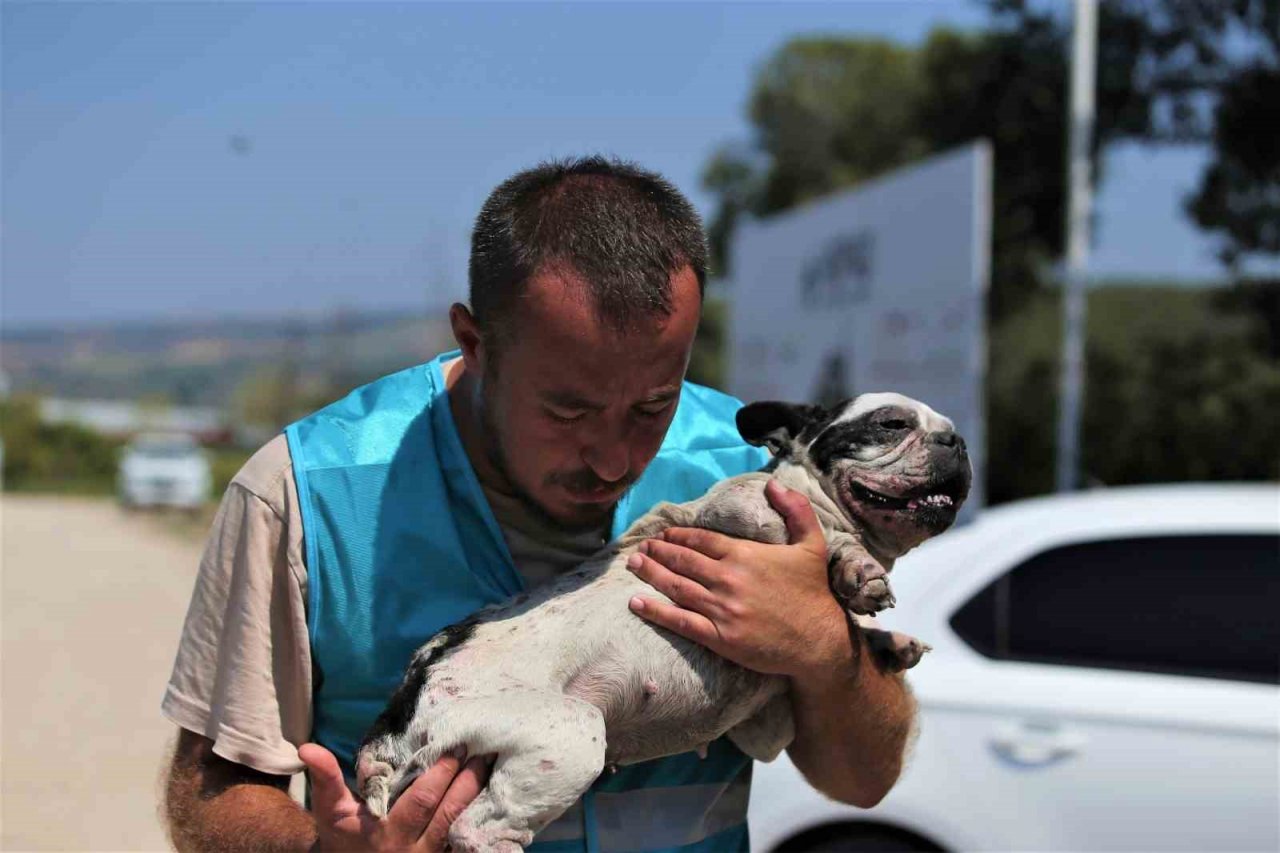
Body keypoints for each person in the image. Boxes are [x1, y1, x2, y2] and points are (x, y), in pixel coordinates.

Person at [161, 156, 915, 852]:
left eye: (654, 405)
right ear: (474, 342)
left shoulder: (754, 473)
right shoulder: (307, 493)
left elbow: (865, 780)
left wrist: (826, 650)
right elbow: (209, 791)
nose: (614, 458)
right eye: (568, 410)